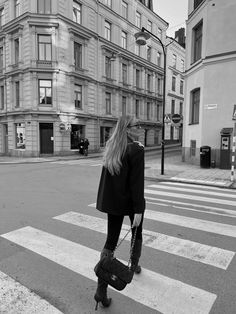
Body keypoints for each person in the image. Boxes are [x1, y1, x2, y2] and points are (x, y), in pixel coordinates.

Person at [94, 115, 145, 310]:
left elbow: (108, 181)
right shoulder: (136, 149)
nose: (140, 128)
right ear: (127, 129)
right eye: (136, 125)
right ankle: (132, 267)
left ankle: (101, 290)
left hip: (114, 202)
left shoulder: (112, 147)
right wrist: (139, 209)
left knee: (110, 242)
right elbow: (137, 183)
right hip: (132, 203)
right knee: (136, 234)